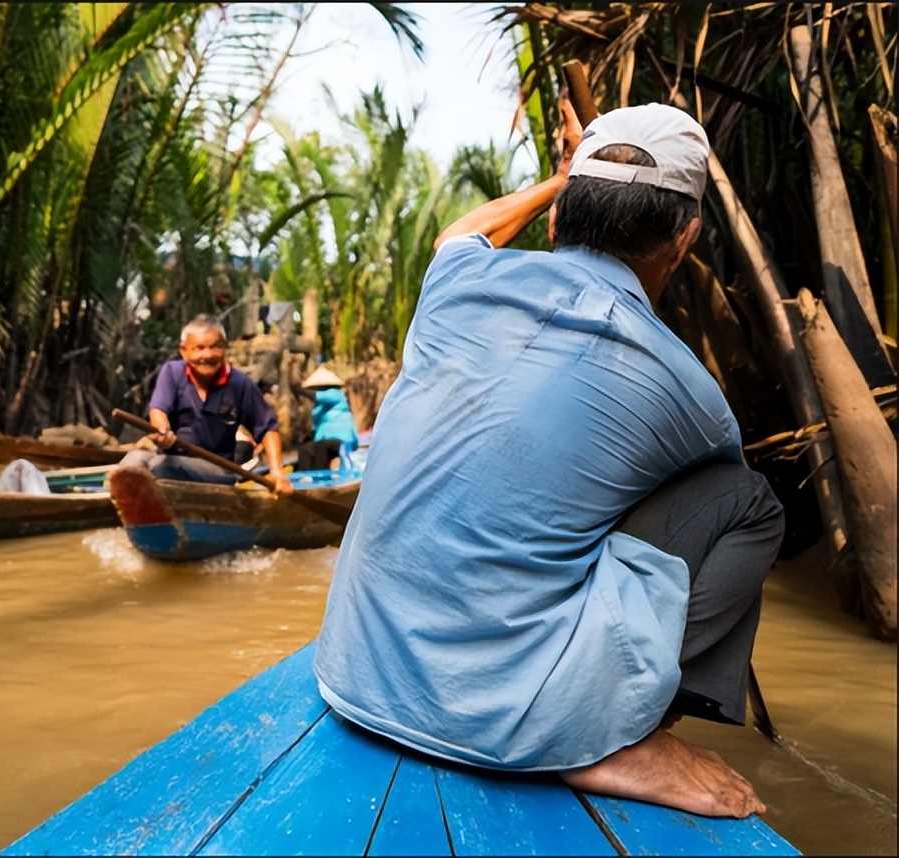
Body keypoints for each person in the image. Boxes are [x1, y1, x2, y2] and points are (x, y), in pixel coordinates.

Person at [312, 100, 785, 819]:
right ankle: (625, 734)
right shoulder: (690, 392)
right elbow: (698, 507)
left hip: (351, 676)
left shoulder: (453, 285)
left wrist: (557, 179)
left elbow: (463, 233)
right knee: (747, 501)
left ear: (559, 218)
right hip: (500, 725)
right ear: (683, 240)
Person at [120, 314, 294, 494]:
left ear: (225, 348)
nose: (207, 355)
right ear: (184, 351)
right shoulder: (172, 372)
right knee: (128, 467)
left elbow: (267, 428)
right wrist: (163, 432)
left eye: (215, 347)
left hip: (217, 468)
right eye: (199, 348)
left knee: (160, 468)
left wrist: (277, 471)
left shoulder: (239, 384)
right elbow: (158, 410)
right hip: (170, 456)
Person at [292, 365, 359, 471]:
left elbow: (315, 396)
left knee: (320, 447)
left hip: (342, 441)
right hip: (324, 442)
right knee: (304, 449)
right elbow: (317, 428)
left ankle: (320, 477)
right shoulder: (318, 407)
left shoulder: (336, 395)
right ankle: (304, 478)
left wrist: (299, 390)